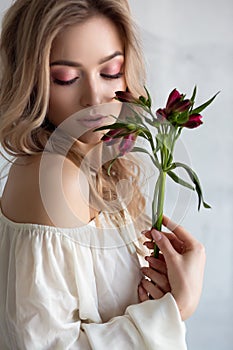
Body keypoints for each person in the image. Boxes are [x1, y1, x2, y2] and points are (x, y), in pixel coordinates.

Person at [0, 0, 206, 349]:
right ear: (31, 83)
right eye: (66, 77)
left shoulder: (92, 162)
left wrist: (154, 296)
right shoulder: (53, 178)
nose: (94, 98)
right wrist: (174, 309)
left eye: (110, 71)